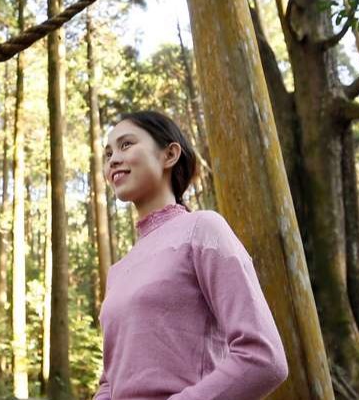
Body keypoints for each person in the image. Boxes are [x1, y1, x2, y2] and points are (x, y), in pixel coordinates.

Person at [94, 111, 287, 400]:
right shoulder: (118, 271)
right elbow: (110, 381)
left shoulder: (203, 229)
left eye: (126, 145)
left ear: (170, 154)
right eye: (108, 153)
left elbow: (263, 357)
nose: (113, 160)